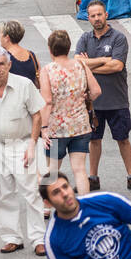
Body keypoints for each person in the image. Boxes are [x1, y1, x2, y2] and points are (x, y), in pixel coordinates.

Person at [0, 48, 46, 256]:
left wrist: (32, 144)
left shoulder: (24, 85)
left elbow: (37, 116)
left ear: (9, 65)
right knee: (2, 193)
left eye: (1, 64)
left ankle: (38, 238)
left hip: (22, 143)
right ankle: (11, 237)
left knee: (31, 192)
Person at [75, 0, 131, 193]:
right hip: (93, 103)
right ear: (88, 18)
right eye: (93, 16)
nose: (97, 18)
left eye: (100, 14)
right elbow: (77, 63)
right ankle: (93, 178)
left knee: (123, 139)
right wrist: (103, 60)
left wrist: (90, 65)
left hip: (117, 100)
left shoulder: (118, 38)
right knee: (94, 141)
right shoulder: (84, 39)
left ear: (106, 15)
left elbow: (117, 66)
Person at [39, 29, 102, 195]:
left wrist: (44, 128)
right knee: (80, 170)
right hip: (80, 127)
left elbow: (47, 101)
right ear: (68, 48)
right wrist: (85, 97)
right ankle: (85, 203)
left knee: (52, 170)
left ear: (50, 48)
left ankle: (48, 206)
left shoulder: (47, 70)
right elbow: (96, 91)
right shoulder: (80, 65)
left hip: (56, 129)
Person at [0, 20, 40, 86]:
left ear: (7, 38)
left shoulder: (4, 58)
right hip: (30, 95)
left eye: (0, 33)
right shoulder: (32, 55)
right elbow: (39, 82)